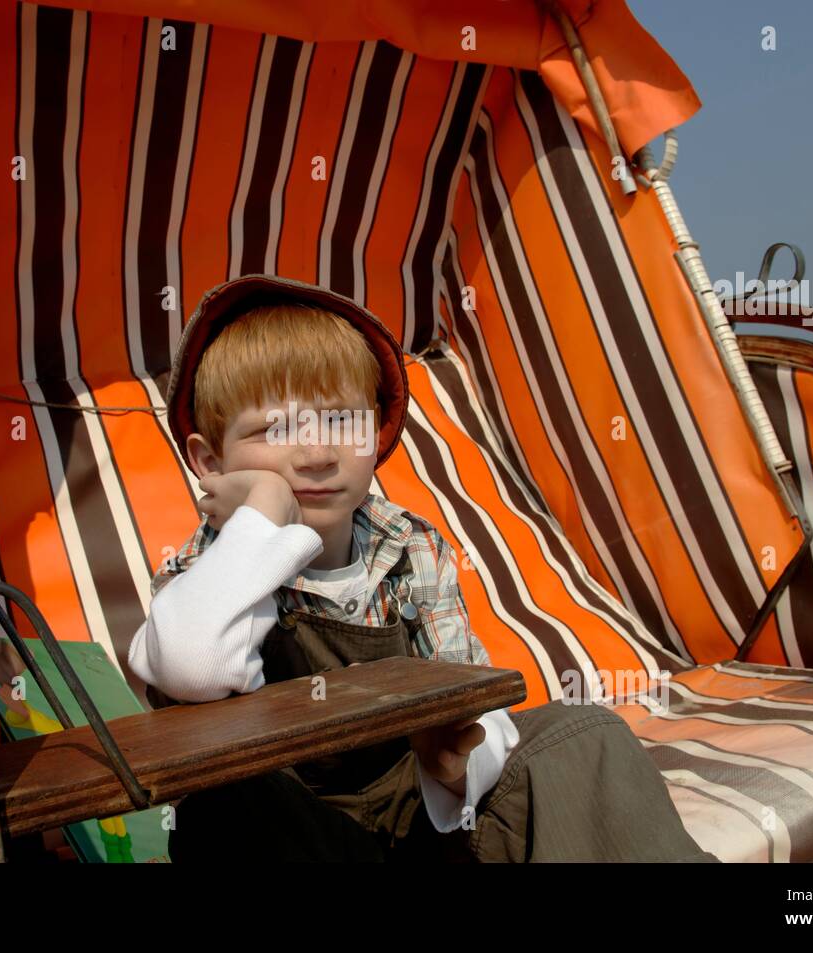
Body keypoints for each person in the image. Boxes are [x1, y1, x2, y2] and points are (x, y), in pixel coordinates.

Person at [129, 273, 717, 863]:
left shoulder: (410, 548)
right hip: (291, 827)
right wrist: (259, 521)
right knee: (221, 805)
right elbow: (191, 667)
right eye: (276, 429)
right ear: (210, 461)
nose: (316, 453)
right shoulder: (207, 566)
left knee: (583, 739)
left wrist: (460, 765)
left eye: (342, 422)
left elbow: (475, 698)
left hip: (418, 815)